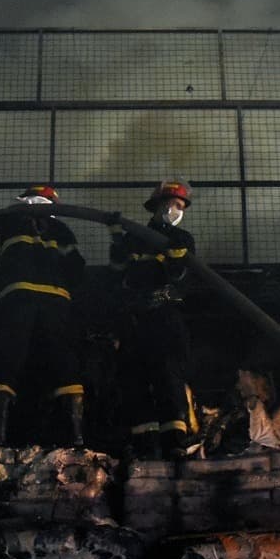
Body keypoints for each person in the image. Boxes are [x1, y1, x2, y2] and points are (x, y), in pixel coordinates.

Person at [0, 185, 86, 447]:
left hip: (17, 297)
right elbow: (77, 270)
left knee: (8, 359)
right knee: (63, 361)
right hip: (57, 301)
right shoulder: (62, 230)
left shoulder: (8, 219)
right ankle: (75, 437)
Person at [108, 180, 197, 458]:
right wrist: (116, 239)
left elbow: (180, 276)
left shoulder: (183, 239)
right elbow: (118, 272)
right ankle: (144, 444)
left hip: (165, 316)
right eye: (170, 204)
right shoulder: (135, 237)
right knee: (134, 377)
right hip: (135, 318)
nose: (175, 209)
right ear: (157, 206)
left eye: (180, 206)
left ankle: (174, 443)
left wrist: (173, 256)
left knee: (168, 376)